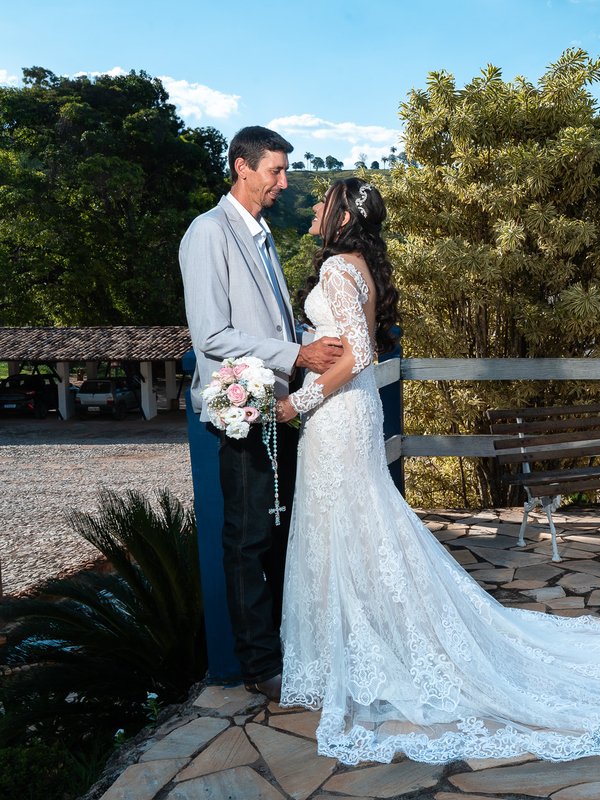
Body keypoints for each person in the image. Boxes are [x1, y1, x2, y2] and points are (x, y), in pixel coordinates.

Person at [275, 177, 600, 766]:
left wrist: (295, 403)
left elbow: (359, 356)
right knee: (364, 529)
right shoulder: (361, 264)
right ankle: (366, 641)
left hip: (337, 414)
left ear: (341, 215)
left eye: (321, 200)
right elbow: (357, 348)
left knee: (352, 528)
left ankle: (364, 648)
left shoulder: (338, 267)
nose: (311, 205)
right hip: (354, 413)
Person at [180, 126, 343, 703]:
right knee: (248, 538)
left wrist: (313, 338)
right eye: (274, 170)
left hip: (280, 407)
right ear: (242, 168)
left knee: (279, 534)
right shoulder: (208, 233)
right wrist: (295, 353)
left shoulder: (263, 234)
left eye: (284, 171)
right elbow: (213, 334)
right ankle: (256, 664)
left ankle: (285, 646)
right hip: (241, 407)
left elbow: (273, 320)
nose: (283, 181)